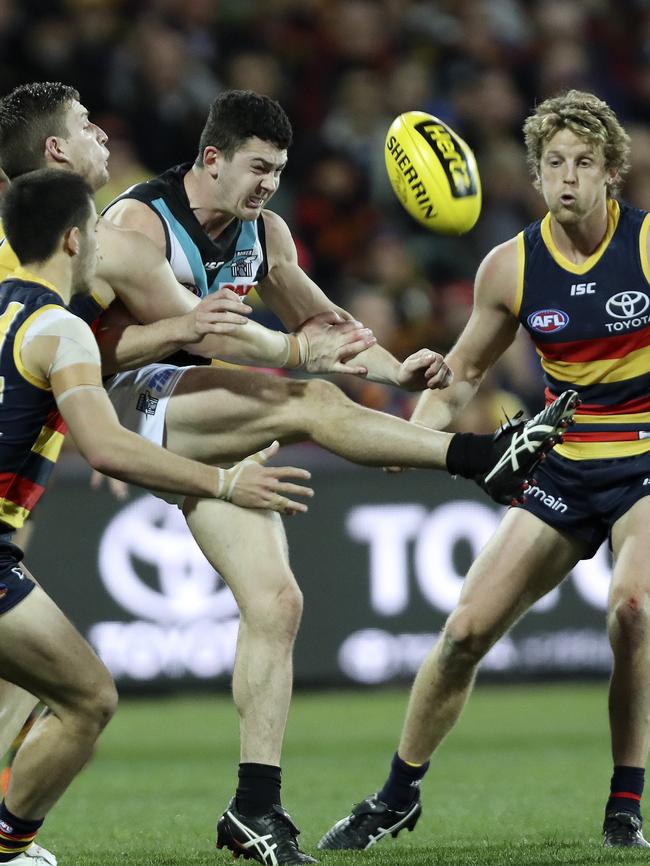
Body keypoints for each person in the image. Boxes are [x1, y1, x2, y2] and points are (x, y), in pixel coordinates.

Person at [0, 84, 576, 865]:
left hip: (203, 413)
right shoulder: (136, 224)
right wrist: (290, 357)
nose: (269, 185)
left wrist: (398, 371)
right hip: (140, 402)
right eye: (257, 168)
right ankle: (481, 459)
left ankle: (254, 810)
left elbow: (323, 325)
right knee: (304, 400)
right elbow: (218, 340)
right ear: (212, 158)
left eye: (278, 171)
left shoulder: (264, 234)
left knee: (277, 603)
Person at [317, 89, 650, 853]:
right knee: (464, 633)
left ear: (611, 174)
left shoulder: (646, 245)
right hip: (564, 467)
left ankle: (624, 805)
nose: (569, 177)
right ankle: (396, 796)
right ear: (535, 176)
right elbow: (462, 372)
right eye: (555, 163)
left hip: (643, 459)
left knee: (632, 610)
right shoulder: (510, 268)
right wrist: (416, 436)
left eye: (585, 163)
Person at [0, 168, 316, 866]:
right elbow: (110, 446)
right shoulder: (61, 330)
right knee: (87, 699)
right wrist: (224, 482)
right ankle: (9, 845)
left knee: (27, 680)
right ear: (78, 241)